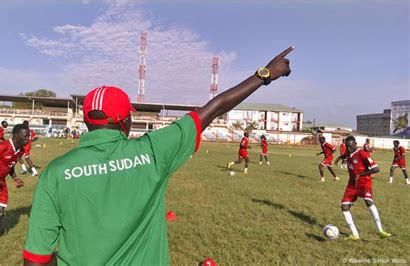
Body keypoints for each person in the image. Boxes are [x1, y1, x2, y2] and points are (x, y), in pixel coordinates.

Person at [22, 46, 294, 265]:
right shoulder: (151, 151)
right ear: (124, 121)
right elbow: (215, 107)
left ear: (86, 122)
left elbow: (36, 260)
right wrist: (264, 75)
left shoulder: (56, 172)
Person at [334, 136, 391, 240]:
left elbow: (376, 169)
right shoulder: (348, 152)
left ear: (355, 144)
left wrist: (360, 174)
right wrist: (339, 158)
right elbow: (346, 154)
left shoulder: (363, 154)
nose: (348, 149)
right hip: (352, 185)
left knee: (368, 201)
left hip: (364, 183)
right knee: (344, 207)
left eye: (350, 147)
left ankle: (380, 231)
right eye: (347, 147)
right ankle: (355, 235)